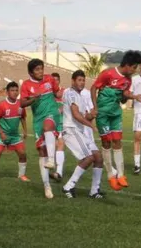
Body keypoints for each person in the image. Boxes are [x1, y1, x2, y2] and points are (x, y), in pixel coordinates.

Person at [91, 50, 141, 191]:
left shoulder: (128, 79)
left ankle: (120, 175)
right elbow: (94, 87)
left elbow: (124, 95)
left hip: (115, 114)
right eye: (134, 67)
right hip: (103, 114)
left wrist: (132, 96)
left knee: (117, 141)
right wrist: (95, 107)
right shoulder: (108, 74)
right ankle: (110, 176)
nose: (134, 70)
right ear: (126, 65)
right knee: (106, 142)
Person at [20, 58, 62, 199]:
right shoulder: (26, 85)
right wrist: (34, 98)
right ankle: (47, 186)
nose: (41, 71)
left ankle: (52, 160)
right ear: (31, 72)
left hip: (52, 113)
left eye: (41, 68)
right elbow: (22, 103)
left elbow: (58, 93)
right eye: (37, 69)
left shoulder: (49, 79)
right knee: (41, 151)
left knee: (48, 125)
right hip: (38, 119)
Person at [61, 70, 104, 199]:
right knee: (88, 158)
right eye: (79, 80)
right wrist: (90, 124)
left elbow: (83, 115)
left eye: (83, 80)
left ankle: (94, 191)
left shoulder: (80, 96)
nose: (82, 82)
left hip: (78, 131)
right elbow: (75, 114)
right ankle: (68, 186)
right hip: (70, 130)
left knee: (98, 157)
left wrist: (91, 115)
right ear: (73, 81)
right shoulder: (71, 94)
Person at [0, 82, 30, 183]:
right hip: (2, 134)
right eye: (12, 90)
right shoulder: (2, 105)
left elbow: (22, 118)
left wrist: (25, 131)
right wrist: (2, 133)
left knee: (22, 154)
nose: (15, 92)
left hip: (15, 135)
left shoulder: (20, 104)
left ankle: (21, 175)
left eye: (16, 90)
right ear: (7, 92)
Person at [49, 72, 66, 182]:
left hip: (61, 123)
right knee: (51, 147)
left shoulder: (64, 91)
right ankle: (52, 169)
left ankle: (59, 172)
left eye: (56, 80)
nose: (55, 82)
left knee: (60, 144)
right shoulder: (48, 93)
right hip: (50, 123)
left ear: (59, 81)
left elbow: (69, 103)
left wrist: (62, 108)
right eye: (53, 80)